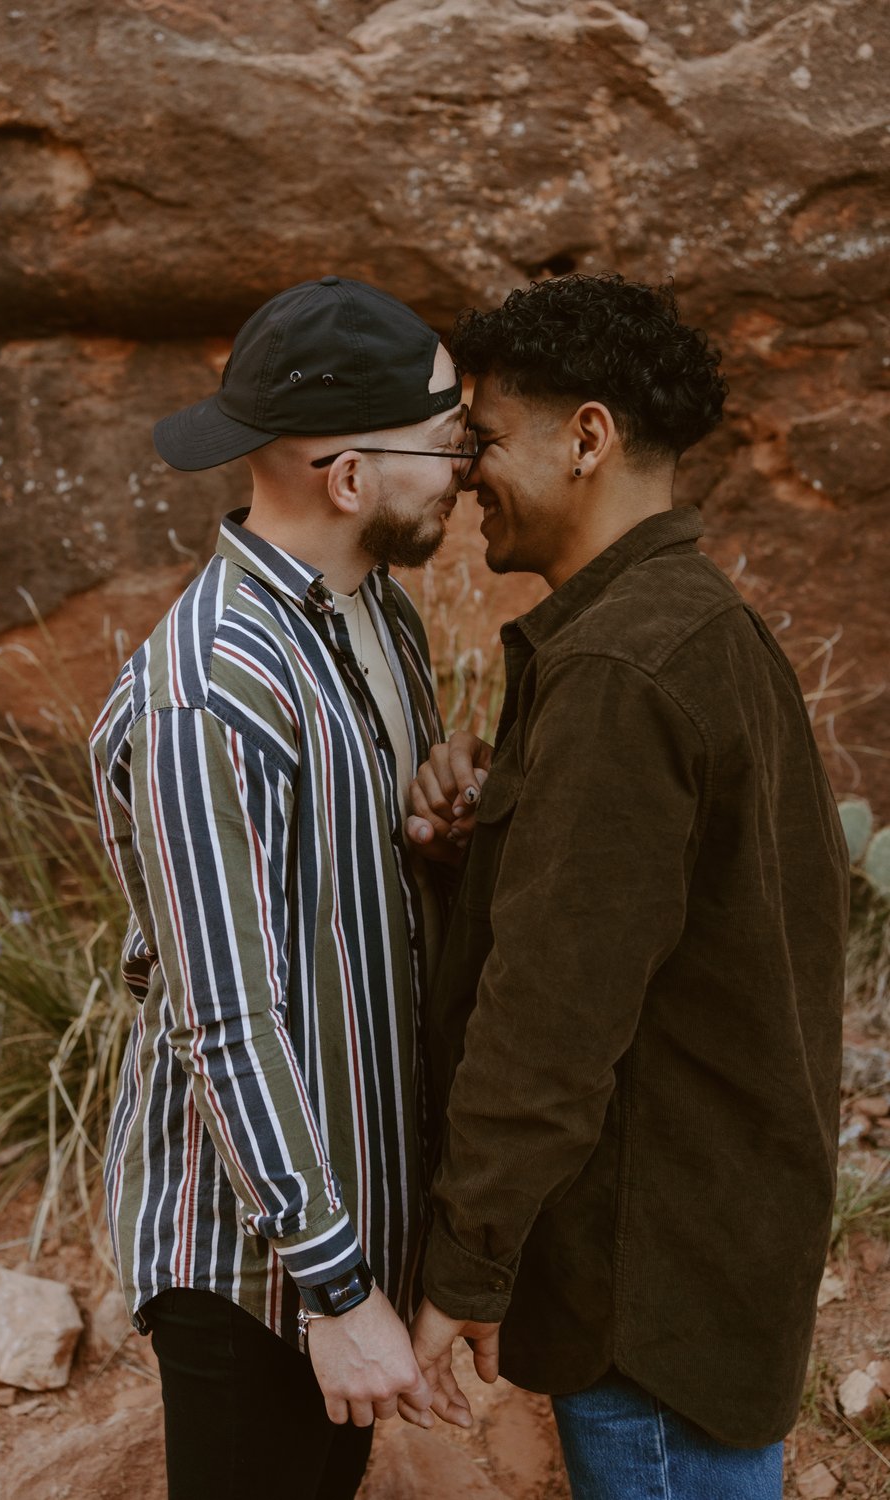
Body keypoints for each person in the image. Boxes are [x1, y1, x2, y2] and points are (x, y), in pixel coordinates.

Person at [401, 273, 849, 1499]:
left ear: (586, 437)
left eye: (484, 439)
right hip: (707, 1260)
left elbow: (555, 1014)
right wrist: (486, 833)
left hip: (653, 1297)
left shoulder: (618, 664)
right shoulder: (694, 624)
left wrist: (464, 1271)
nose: (461, 472)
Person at [89, 275, 479, 1499]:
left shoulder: (382, 618)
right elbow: (227, 1020)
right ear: (348, 477)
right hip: (255, 1268)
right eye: (443, 438)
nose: (465, 464)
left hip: (352, 1230)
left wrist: (433, 832)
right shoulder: (211, 691)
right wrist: (339, 1290)